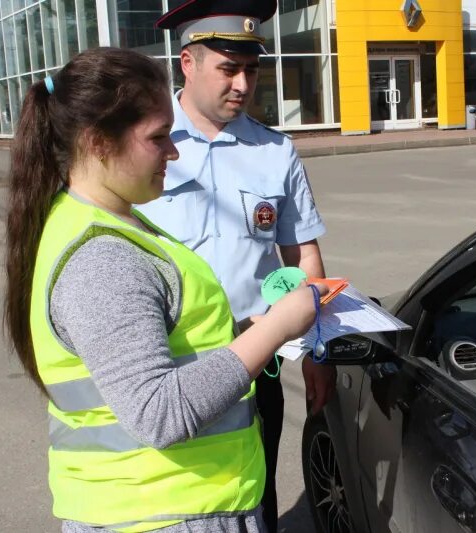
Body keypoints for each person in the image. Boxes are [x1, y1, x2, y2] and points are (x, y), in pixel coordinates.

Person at [4, 47, 326, 532]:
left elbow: (168, 336)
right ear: (97, 143)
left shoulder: (112, 218)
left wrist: (242, 329)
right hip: (161, 514)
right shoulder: (101, 258)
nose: (174, 152)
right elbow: (157, 413)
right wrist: (278, 327)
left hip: (172, 506)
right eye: (158, 138)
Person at [138, 2, 336, 529]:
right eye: (228, 69)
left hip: (256, 360)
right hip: (166, 366)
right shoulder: (142, 144)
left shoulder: (275, 151)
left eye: (251, 69)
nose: (243, 84)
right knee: (171, 502)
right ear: (187, 63)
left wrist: (318, 349)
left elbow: (302, 255)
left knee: (254, 490)